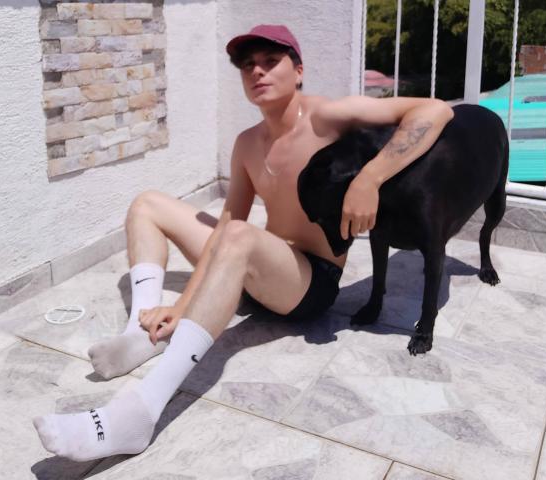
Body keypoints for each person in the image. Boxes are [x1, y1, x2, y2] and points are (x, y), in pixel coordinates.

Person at [33, 24, 454, 461]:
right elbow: (229, 222)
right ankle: (140, 334)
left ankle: (140, 411)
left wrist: (370, 179)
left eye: (271, 62)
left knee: (239, 237)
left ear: (299, 71)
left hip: (310, 284)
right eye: (248, 65)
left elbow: (435, 110)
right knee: (148, 205)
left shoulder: (329, 116)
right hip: (258, 266)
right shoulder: (247, 143)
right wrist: (182, 306)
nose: (258, 72)